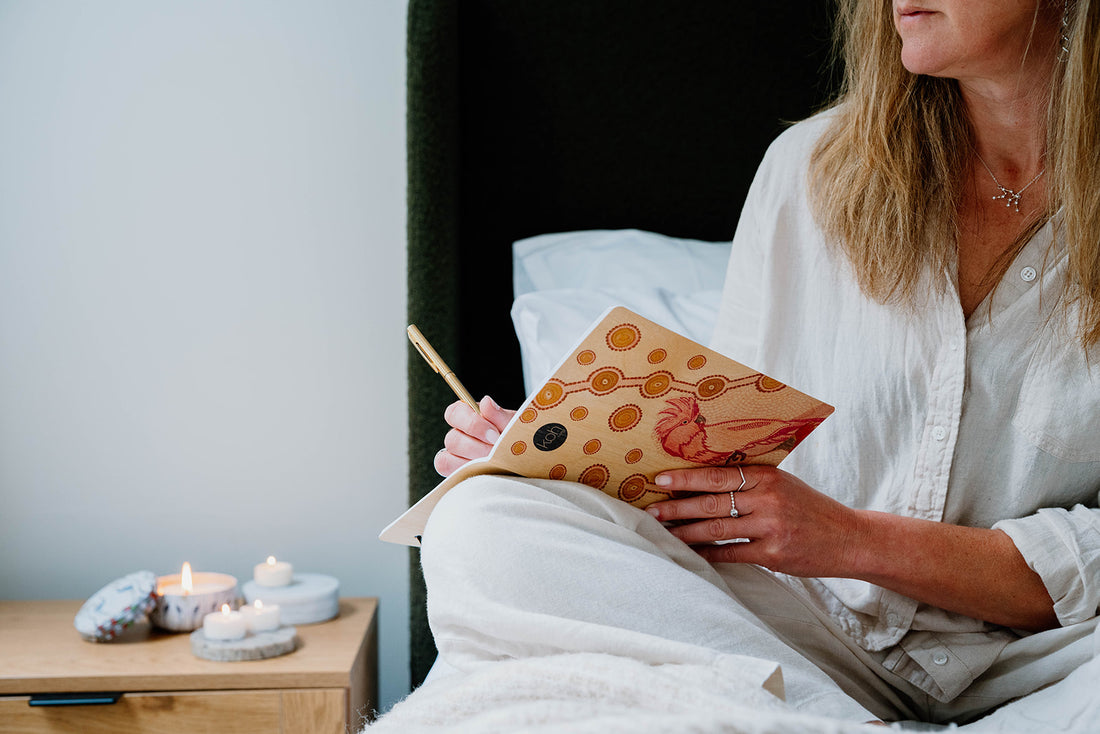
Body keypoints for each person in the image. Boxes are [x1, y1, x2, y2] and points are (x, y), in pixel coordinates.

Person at [425, 0, 1100, 725]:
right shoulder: (811, 169)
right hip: (797, 631)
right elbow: (719, 454)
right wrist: (559, 458)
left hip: (1048, 658)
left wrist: (848, 537)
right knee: (482, 518)